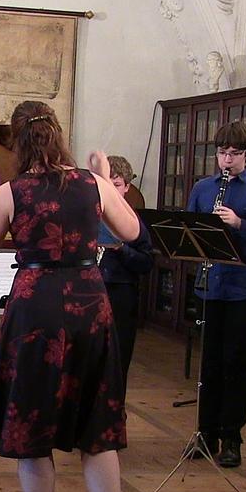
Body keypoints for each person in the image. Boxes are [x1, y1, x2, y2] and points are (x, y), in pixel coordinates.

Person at [0, 101, 140, 492]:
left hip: (35, 308)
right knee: (97, 426)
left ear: (18, 143)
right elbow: (131, 230)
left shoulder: (11, 192)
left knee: (33, 428)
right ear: (58, 134)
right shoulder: (94, 184)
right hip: (89, 304)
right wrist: (102, 176)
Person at [186, 121, 246, 468]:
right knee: (209, 363)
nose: (227, 160)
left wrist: (240, 224)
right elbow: (188, 230)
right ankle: (205, 433)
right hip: (210, 286)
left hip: (244, 289)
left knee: (234, 364)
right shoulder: (202, 188)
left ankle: (232, 438)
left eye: (234, 153)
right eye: (222, 153)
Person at [98, 155, 153, 382]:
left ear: (127, 187)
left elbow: (146, 263)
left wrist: (121, 248)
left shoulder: (134, 221)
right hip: (91, 291)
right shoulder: (88, 215)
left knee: (117, 358)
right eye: (106, 184)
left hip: (120, 292)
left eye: (117, 184)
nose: (111, 190)